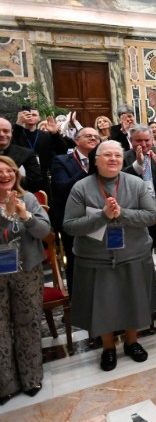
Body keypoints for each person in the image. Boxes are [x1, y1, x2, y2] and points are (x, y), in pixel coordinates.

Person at [63, 141, 156, 371]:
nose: (113, 159)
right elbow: (70, 225)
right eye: (107, 155)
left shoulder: (135, 183)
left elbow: (152, 215)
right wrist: (103, 216)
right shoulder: (81, 188)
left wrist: (122, 214)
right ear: (96, 160)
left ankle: (132, 341)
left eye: (117, 155)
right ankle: (108, 347)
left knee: (133, 300)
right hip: (95, 258)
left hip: (132, 253)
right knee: (102, 304)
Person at [0, 156, 51, 405]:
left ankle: (31, 377)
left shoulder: (28, 198)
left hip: (27, 270)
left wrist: (24, 214)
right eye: (0, 172)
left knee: (28, 322)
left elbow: (44, 231)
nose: (5, 175)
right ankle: (5, 383)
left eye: (9, 171)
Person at [123, 125, 156, 295]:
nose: (144, 144)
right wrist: (138, 165)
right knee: (141, 253)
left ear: (153, 140)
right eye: (139, 140)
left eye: (147, 140)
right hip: (138, 213)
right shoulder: (125, 156)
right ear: (131, 141)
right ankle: (145, 291)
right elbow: (120, 178)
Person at [49, 127, 100, 291]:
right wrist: (89, 169)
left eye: (96, 137)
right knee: (75, 262)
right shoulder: (61, 160)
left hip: (99, 218)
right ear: (76, 140)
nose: (93, 138)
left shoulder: (105, 161)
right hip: (73, 219)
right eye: (88, 136)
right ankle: (76, 305)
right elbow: (62, 188)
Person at [0, 117, 44, 193]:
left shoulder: (27, 154)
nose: (1, 134)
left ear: (11, 132)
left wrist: (9, 181)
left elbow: (36, 183)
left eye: (6, 131)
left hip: (18, 197)